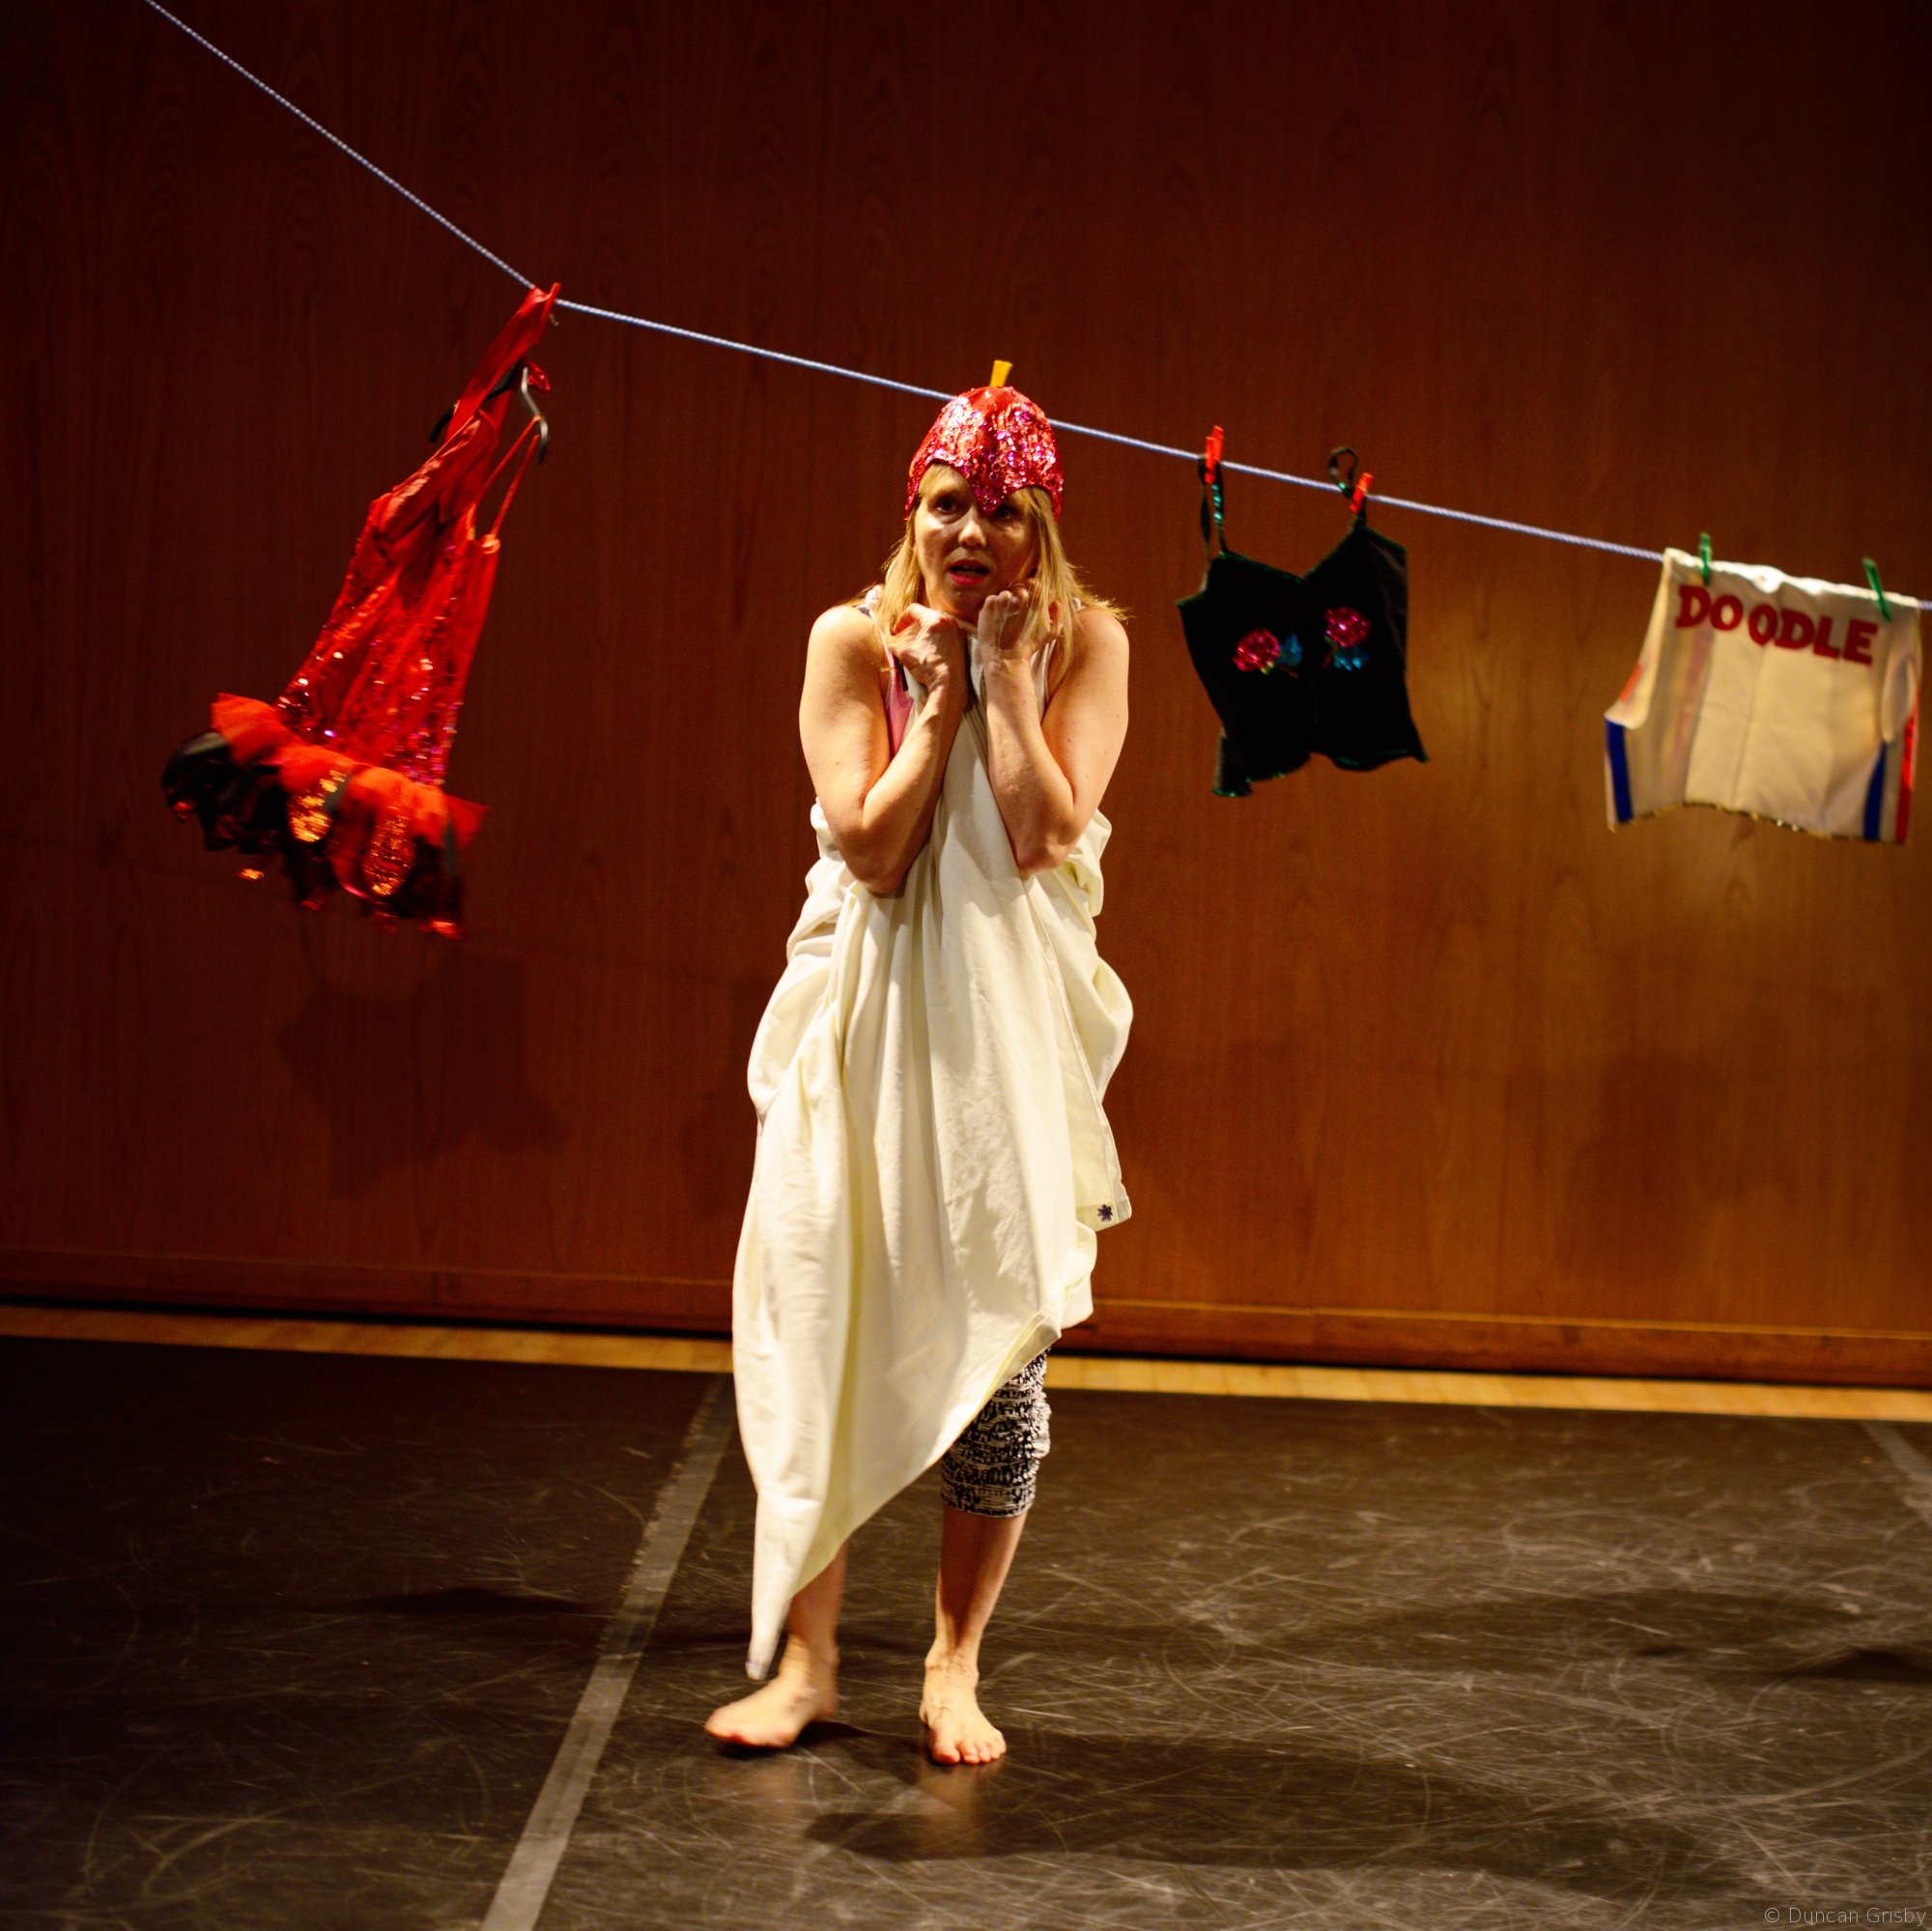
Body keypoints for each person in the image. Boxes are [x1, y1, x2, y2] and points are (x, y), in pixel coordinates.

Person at [707, 383, 1132, 1764]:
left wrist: (1004, 682)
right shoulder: (851, 639)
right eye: (948, 505)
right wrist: (936, 702)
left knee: (1001, 1367)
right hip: (860, 1027)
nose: (971, 533)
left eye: (1002, 512)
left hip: (1004, 1042)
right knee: (819, 1319)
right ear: (914, 512)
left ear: (1039, 527)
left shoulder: (1088, 643)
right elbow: (876, 851)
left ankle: (954, 1664)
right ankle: (809, 1663)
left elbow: (1042, 837)